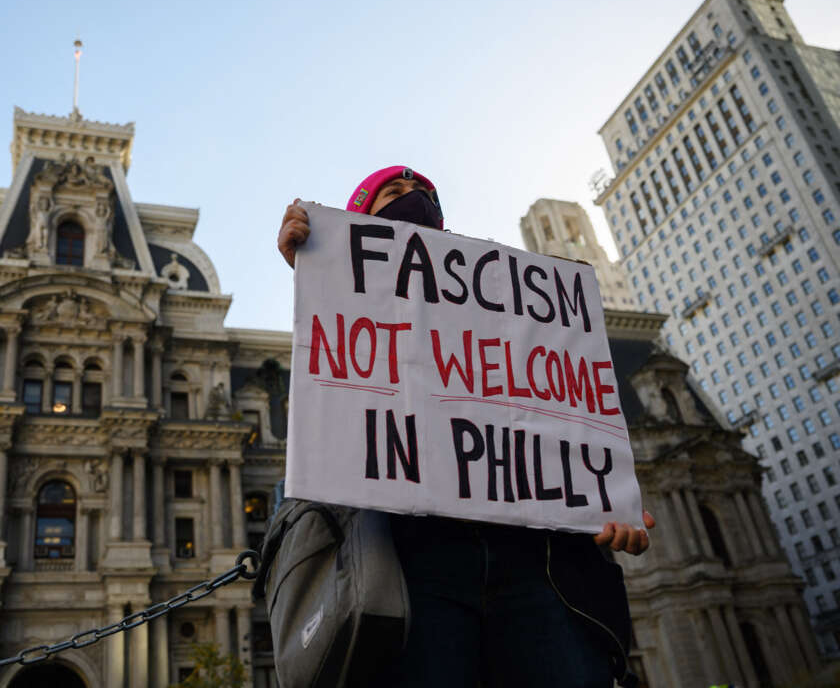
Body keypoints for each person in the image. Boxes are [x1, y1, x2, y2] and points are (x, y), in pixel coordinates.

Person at [276, 166, 656, 688]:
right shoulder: (350, 309)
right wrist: (320, 269)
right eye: (394, 192)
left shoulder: (516, 307)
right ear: (359, 224)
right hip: (415, 568)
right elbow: (341, 416)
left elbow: (560, 420)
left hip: (539, 569)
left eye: (423, 193)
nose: (412, 197)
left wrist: (608, 502)